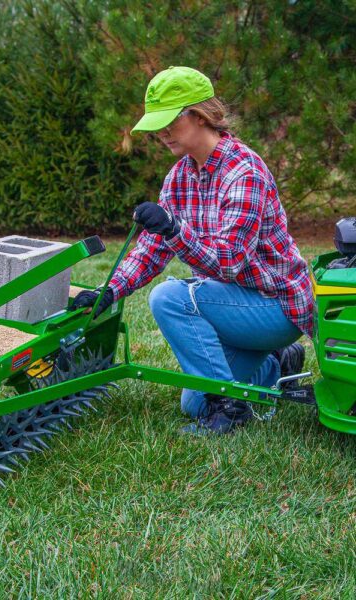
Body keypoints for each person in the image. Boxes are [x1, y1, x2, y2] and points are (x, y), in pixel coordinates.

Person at [71, 66, 314, 434]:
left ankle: (230, 409)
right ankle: (277, 366)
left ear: (200, 116)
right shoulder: (180, 176)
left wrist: (173, 228)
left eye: (170, 121)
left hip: (275, 306)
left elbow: (229, 263)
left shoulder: (243, 171)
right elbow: (151, 250)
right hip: (232, 305)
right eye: (157, 125)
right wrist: (110, 291)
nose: (162, 133)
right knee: (194, 402)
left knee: (170, 297)